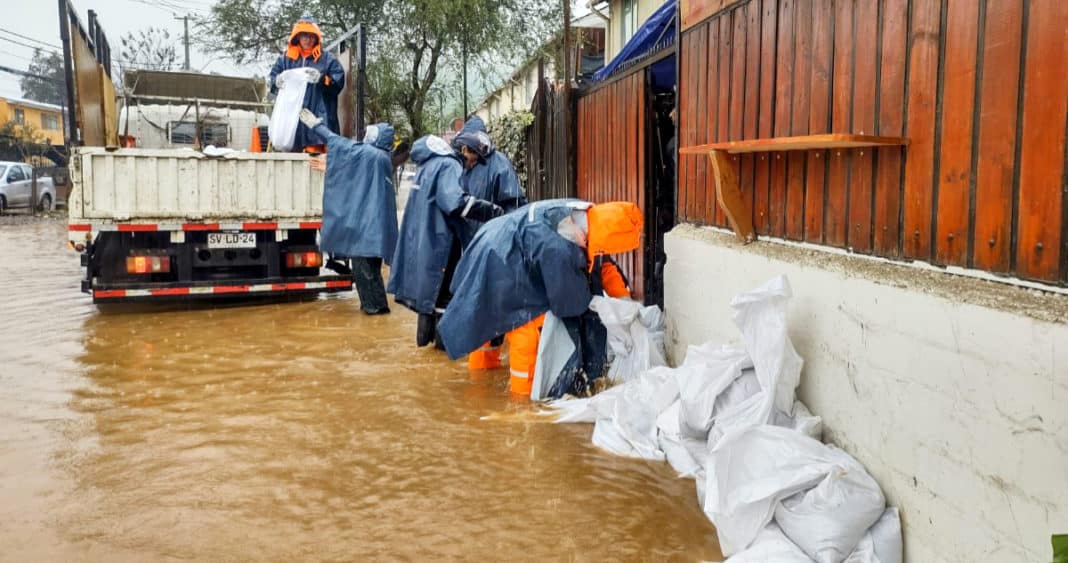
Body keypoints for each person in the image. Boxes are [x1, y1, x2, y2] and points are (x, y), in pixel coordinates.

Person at [437, 199, 642, 396]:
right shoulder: (560, 247)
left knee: (485, 320)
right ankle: (521, 403)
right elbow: (568, 304)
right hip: (502, 261)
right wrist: (596, 305)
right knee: (526, 329)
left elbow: (605, 266)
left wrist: (624, 300)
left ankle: (482, 384)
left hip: (496, 241)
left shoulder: (587, 219)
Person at [387, 135, 505, 348]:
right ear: (465, 150)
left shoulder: (429, 164)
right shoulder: (450, 165)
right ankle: (444, 350)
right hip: (440, 243)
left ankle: (426, 347)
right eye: (475, 158)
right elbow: (453, 201)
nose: (474, 163)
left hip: (423, 241)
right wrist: (490, 210)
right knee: (444, 297)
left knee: (428, 298)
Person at [300, 110, 396, 314]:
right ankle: (376, 315)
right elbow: (356, 177)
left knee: (366, 277)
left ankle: (375, 315)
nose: (365, 137)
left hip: (365, 236)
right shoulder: (382, 158)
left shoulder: (370, 155)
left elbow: (338, 142)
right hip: (373, 234)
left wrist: (316, 125)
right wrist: (333, 165)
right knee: (371, 276)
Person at [450, 116, 528, 369]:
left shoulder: (500, 166)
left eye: (469, 150)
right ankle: (484, 365)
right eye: (463, 149)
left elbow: (515, 208)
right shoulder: (464, 168)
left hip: (496, 250)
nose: (465, 154)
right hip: (473, 249)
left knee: (492, 307)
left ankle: (490, 361)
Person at [269, 15, 345, 153]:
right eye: (304, 35)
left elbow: (338, 83)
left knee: (315, 162)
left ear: (316, 38)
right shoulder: (285, 59)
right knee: (291, 161)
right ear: (297, 36)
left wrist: (322, 79)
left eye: (311, 36)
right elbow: (273, 77)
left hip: (318, 126)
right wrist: (276, 81)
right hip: (291, 125)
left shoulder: (328, 59)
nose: (307, 39)